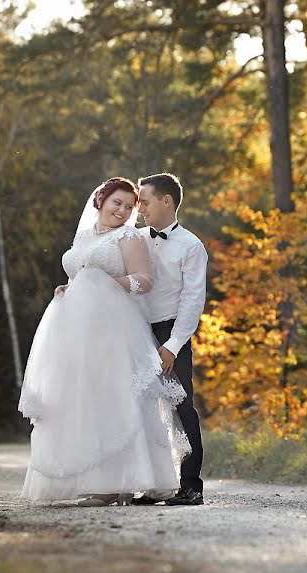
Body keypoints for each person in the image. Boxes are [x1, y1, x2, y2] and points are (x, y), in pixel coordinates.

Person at [18, 177, 190, 506]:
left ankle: (114, 484)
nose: (123, 211)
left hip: (114, 329)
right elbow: (80, 276)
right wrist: (70, 288)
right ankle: (90, 478)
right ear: (101, 200)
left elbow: (145, 280)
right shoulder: (83, 237)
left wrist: (110, 283)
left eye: (129, 207)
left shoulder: (127, 237)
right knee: (83, 399)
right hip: (78, 330)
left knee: (114, 398)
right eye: (117, 203)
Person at [132, 173, 207, 506]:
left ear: (167, 201)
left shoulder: (191, 246)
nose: (140, 208)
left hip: (169, 333)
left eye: (145, 201)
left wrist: (172, 346)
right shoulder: (134, 239)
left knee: (181, 407)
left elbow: (192, 301)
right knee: (140, 409)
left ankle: (190, 485)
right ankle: (152, 484)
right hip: (133, 330)